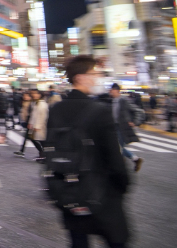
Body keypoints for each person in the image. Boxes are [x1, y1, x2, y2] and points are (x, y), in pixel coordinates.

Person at [46, 55, 130, 248]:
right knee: (117, 240)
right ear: (80, 78)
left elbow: (50, 149)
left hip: (69, 189)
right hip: (102, 192)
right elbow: (114, 159)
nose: (97, 78)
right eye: (94, 73)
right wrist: (122, 185)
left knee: (78, 241)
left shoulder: (56, 109)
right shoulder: (100, 110)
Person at [107, 84, 143, 172]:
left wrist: (135, 122)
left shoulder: (124, 100)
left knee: (118, 148)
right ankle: (135, 159)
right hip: (114, 127)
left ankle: (122, 167)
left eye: (111, 90)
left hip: (122, 128)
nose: (110, 91)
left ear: (116, 90)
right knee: (117, 148)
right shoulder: (112, 100)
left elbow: (139, 111)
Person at [28, 89, 48, 161]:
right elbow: (33, 115)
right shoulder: (36, 103)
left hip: (40, 126)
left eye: (37, 94)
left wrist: (37, 126)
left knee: (41, 141)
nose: (35, 95)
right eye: (34, 94)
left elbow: (42, 116)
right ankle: (42, 154)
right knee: (34, 139)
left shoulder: (42, 104)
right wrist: (30, 123)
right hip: (35, 125)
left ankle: (44, 155)